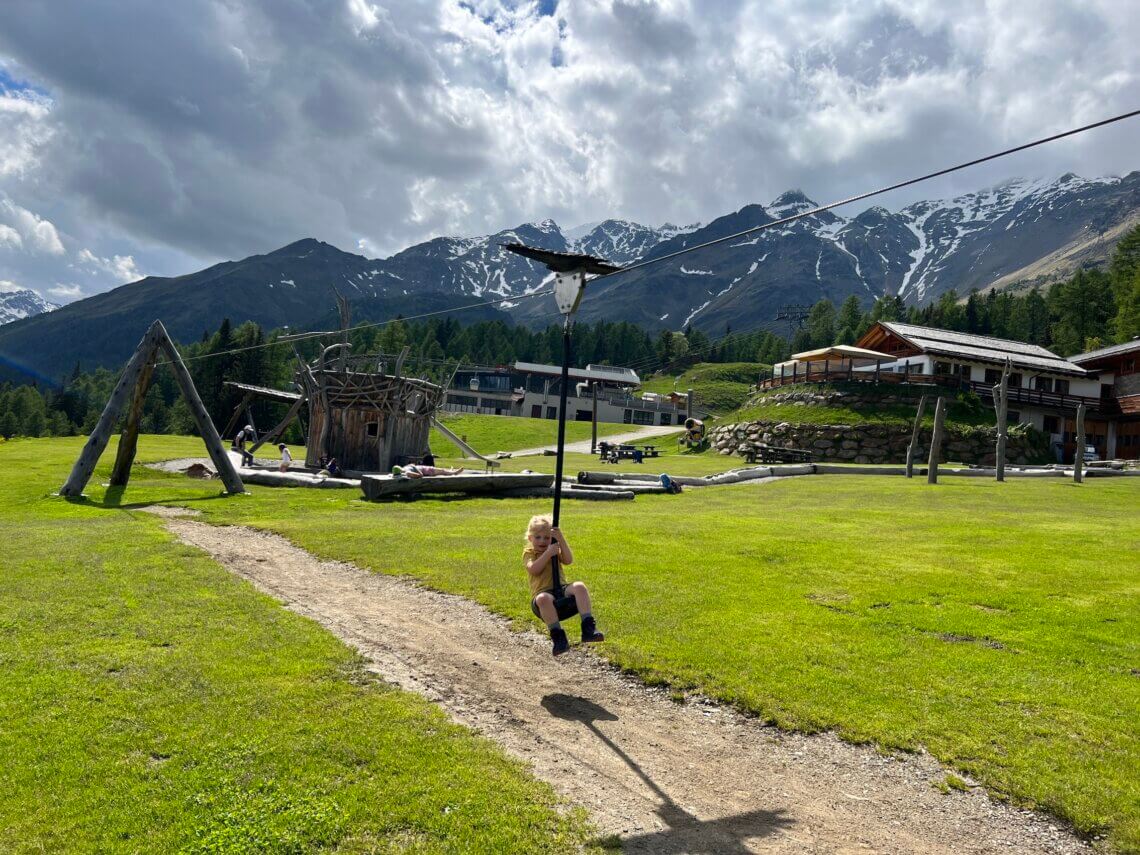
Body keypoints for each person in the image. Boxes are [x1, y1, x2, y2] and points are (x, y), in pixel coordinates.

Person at [523, 514, 603, 656]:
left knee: (579, 586)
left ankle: (588, 628)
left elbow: (568, 560)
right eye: (537, 537)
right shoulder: (529, 553)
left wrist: (560, 539)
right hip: (543, 597)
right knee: (543, 599)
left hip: (561, 590)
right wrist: (548, 553)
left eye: (547, 538)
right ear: (530, 538)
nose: (542, 541)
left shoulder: (554, 548)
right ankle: (559, 638)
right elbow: (534, 569)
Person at [392, 463, 464, 478]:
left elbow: (412, 465)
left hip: (424, 468)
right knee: (442, 471)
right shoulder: (407, 472)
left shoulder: (405, 469)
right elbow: (420, 475)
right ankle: (455, 472)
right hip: (426, 470)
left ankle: (452, 472)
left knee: (443, 471)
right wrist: (416, 469)